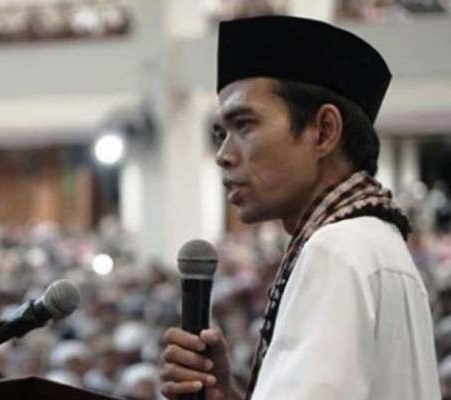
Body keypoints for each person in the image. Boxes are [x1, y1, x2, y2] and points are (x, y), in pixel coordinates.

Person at [160, 16, 441, 400]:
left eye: (244, 125)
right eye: (221, 133)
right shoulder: (373, 241)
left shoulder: (337, 250)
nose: (223, 155)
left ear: (323, 131)